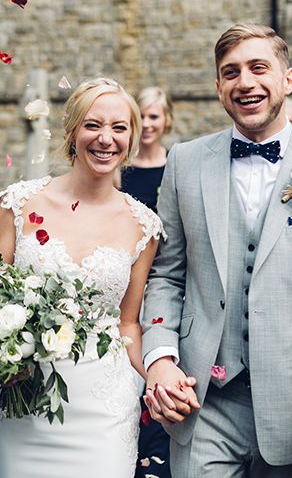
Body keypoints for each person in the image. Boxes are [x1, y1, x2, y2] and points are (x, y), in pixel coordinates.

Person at [143, 23, 292, 477]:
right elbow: (166, 275)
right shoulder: (184, 162)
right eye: (231, 72)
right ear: (218, 87)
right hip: (203, 396)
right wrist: (159, 358)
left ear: (287, 79)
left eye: (259, 68)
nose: (245, 82)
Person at [0, 78, 164, 477]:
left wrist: (156, 380)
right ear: (72, 131)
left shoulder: (144, 225)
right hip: (22, 399)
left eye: (119, 128)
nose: (106, 139)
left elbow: (128, 322)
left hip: (104, 407)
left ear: (131, 137)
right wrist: (2, 360)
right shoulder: (19, 203)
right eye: (93, 125)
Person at [120, 86, 173, 478]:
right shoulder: (121, 171)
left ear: (166, 120)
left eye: (156, 116)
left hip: (166, 277)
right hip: (127, 277)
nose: (150, 123)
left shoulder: (178, 166)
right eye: (144, 116)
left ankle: (157, 451)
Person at [121, 87, 172, 213]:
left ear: (167, 120)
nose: (145, 124)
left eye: (153, 117)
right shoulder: (119, 165)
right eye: (140, 116)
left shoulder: (175, 164)